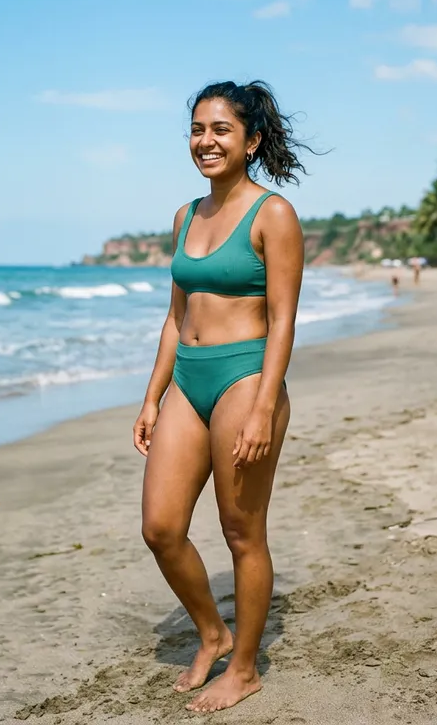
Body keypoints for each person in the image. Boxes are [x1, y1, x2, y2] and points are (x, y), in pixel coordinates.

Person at [133, 80, 309, 714]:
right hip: (188, 377)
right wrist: (152, 397)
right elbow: (176, 317)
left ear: (251, 141)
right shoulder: (186, 216)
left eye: (221, 130)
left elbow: (285, 320)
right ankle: (212, 630)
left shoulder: (273, 215)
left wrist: (263, 405)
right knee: (160, 527)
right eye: (198, 130)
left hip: (245, 378)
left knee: (241, 531)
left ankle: (244, 668)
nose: (206, 141)